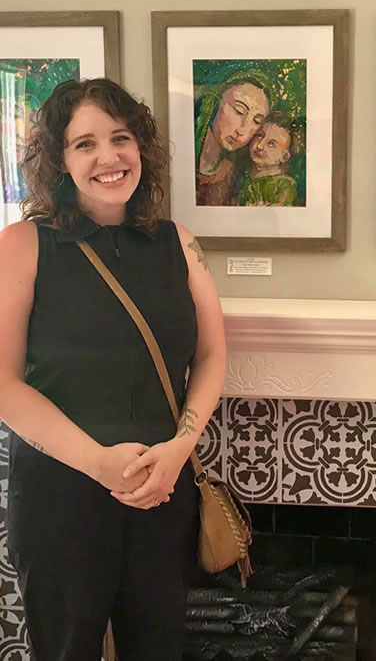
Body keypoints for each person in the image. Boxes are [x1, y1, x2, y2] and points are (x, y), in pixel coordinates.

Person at [0, 78, 226, 659]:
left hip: (161, 486)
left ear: (141, 151)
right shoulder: (22, 245)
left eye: (120, 138)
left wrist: (181, 445)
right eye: (85, 144)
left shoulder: (181, 243)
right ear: (60, 160)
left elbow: (211, 355)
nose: (108, 157)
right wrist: (99, 463)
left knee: (159, 647)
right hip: (61, 493)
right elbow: (3, 385)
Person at [195, 73, 271, 206]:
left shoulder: (235, 179)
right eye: (239, 111)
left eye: (256, 121)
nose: (242, 130)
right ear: (215, 103)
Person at [238, 112, 299, 207]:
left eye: (271, 144)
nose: (260, 145)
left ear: (284, 156)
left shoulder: (283, 185)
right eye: (259, 136)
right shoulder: (243, 178)